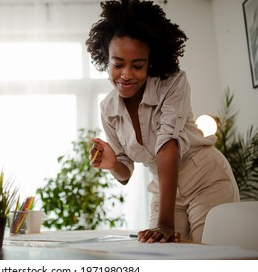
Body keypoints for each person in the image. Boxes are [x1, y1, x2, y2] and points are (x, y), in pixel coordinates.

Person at [86, 0, 239, 243]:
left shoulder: (173, 83)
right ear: (106, 59)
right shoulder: (108, 109)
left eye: (137, 66)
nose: (125, 75)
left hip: (205, 179)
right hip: (164, 187)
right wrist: (114, 163)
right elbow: (125, 173)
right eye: (117, 64)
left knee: (208, 256)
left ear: (151, 63)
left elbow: (168, 144)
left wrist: (165, 223)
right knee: (160, 256)